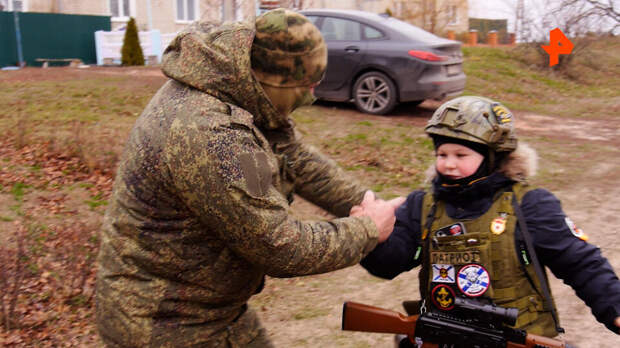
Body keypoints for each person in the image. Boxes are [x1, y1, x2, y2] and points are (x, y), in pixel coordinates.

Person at [96, 9, 404, 347]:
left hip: (211, 309)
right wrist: (367, 230)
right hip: (164, 323)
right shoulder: (211, 135)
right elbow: (280, 246)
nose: (310, 97)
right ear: (275, 82)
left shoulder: (234, 85)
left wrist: (370, 203)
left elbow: (295, 157)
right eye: (305, 87)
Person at [359, 96, 620, 343]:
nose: (449, 164)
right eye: (442, 154)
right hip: (445, 339)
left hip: (517, 338)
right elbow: (390, 264)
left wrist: (615, 308)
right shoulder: (423, 206)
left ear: (492, 157)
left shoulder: (530, 205)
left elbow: (581, 262)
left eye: (461, 156)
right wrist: (374, 237)